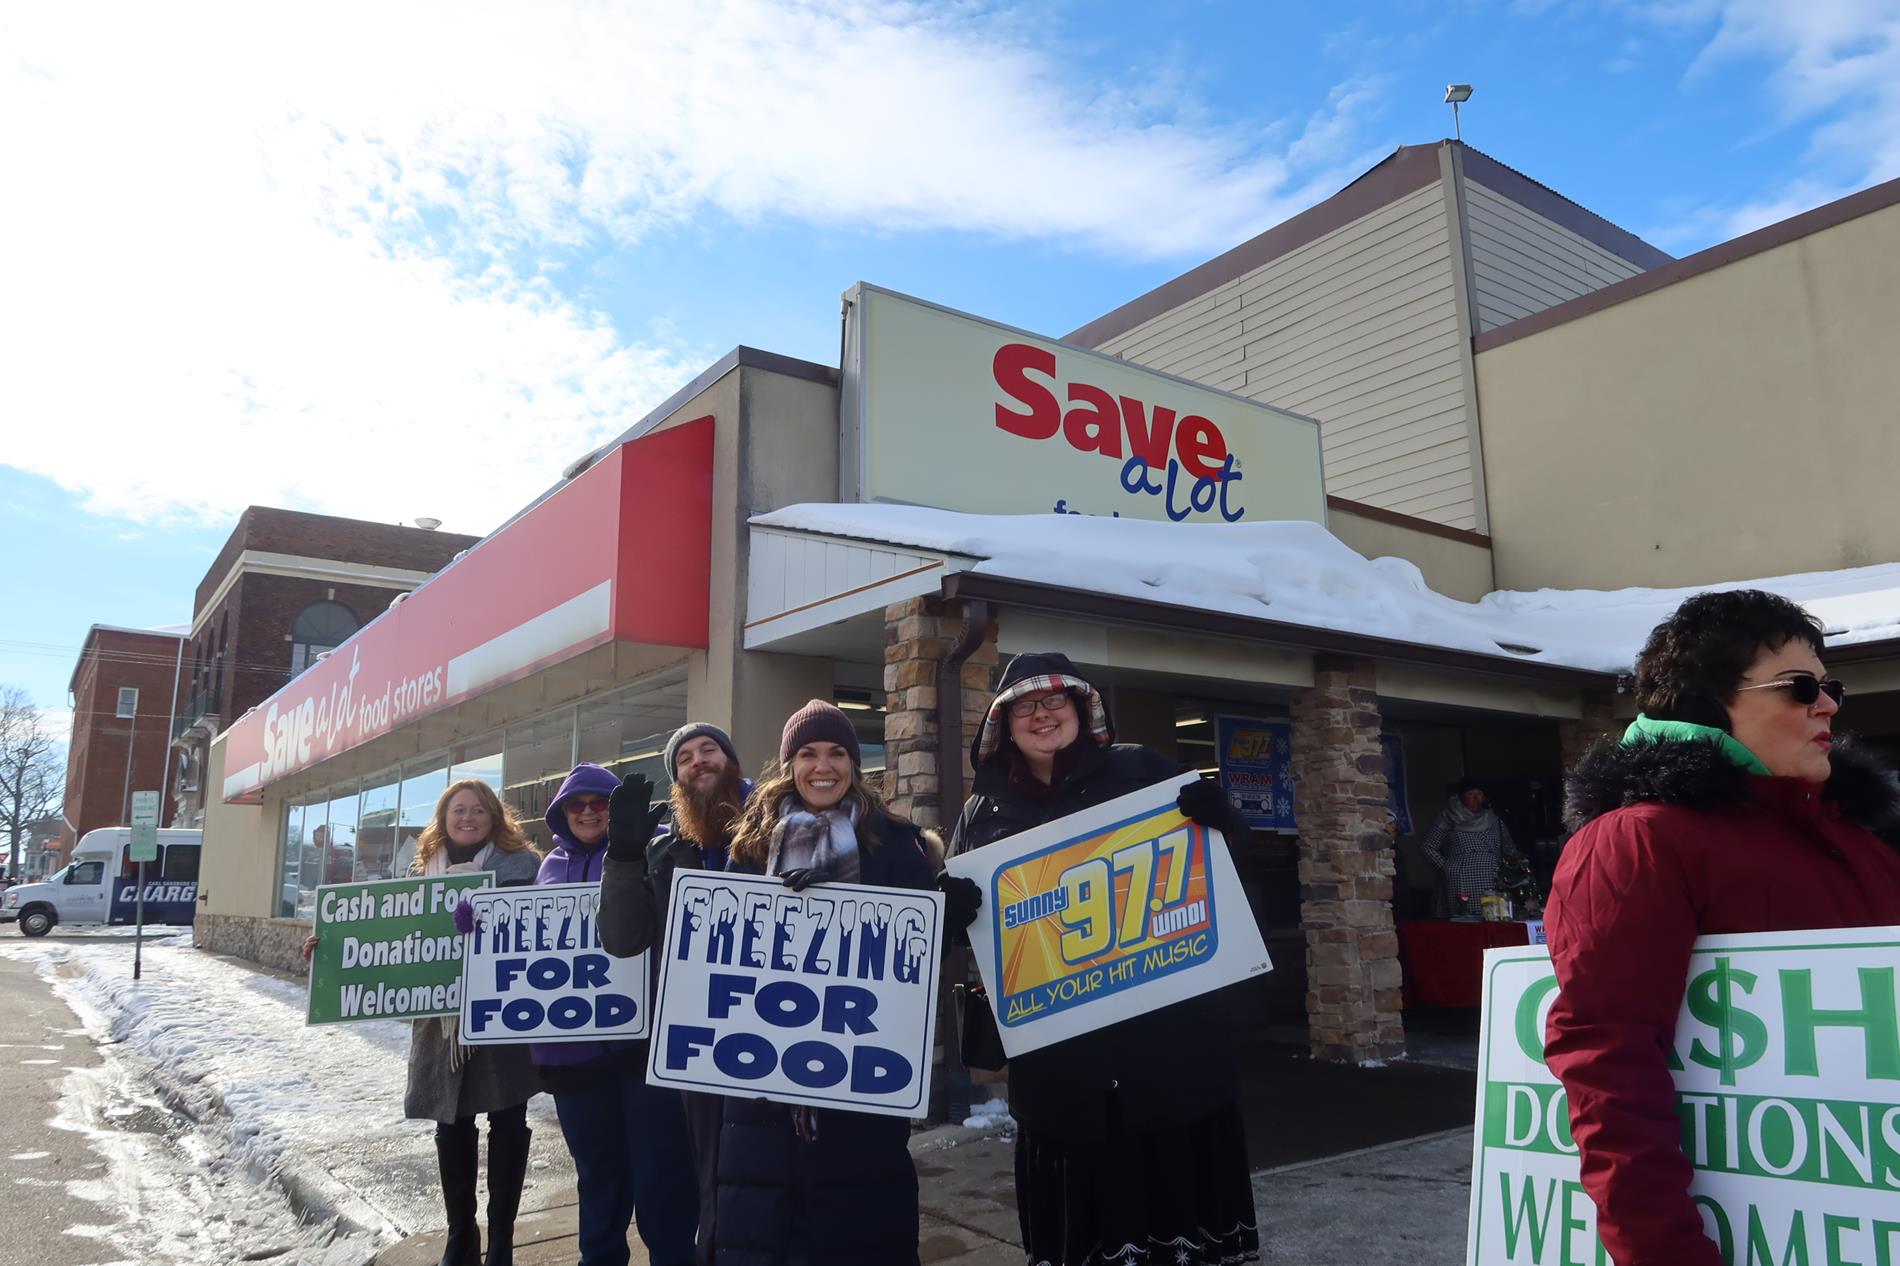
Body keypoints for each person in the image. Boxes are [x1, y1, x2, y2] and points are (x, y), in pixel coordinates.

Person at [1545, 590, 1900, 1266]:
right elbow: (1609, 1063)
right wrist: (1668, 1253)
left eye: (1830, 687)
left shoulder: (1864, 840)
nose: (1827, 705)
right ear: (1707, 705)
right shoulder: (1640, 840)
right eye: (1800, 688)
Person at [944, 651, 1260, 1266]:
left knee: (1175, 1207)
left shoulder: (1142, 770)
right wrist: (952, 912)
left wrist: (1227, 825)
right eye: (1025, 707)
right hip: (1062, 1068)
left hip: (1167, 1048)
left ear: (1081, 708)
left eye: (1054, 700)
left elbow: (1225, 867)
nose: (1042, 715)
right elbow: (971, 931)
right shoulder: (982, 813)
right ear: (1004, 725)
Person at [709, 699, 936, 1266]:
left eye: (837, 752)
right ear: (790, 764)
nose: (823, 766)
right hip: (762, 1099)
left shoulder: (895, 843)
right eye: (808, 753)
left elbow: (921, 959)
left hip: (861, 1097)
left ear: (854, 763)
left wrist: (943, 911)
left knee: (862, 1240)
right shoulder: (749, 846)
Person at [305, 779, 542, 1266]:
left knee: (508, 1121)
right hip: (441, 1022)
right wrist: (331, 949)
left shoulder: (523, 866)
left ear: (495, 817)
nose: (468, 817)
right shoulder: (421, 872)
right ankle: (461, 1236)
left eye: (479, 810)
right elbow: (390, 937)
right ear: (444, 818)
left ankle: (501, 1241)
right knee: (450, 1124)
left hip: (501, 1016)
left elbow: (541, 930)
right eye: (459, 810)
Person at [597, 722, 754, 1266]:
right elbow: (622, 939)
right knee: (694, 1179)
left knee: (757, 1178)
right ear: (677, 779)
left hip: (771, 1031)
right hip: (693, 1041)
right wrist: (623, 856)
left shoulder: (776, 826)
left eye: (709, 749)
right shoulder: (663, 852)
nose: (698, 760)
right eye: (684, 757)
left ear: (730, 760)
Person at [528, 763, 697, 1266]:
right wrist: (478, 924)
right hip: (574, 1057)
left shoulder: (655, 850)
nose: (587, 812)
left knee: (661, 1174)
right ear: (560, 814)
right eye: (575, 805)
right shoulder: (548, 867)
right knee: (597, 1175)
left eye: (598, 802)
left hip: (642, 1049)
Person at [1420, 778, 1514, 917]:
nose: (1476, 798)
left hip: (1492, 878)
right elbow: (1428, 846)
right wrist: (1447, 867)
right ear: (1461, 797)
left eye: (1479, 794)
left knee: (1492, 915)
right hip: (1461, 878)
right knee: (1465, 918)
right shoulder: (1448, 818)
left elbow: (1508, 846)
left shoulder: (1494, 819)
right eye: (1471, 794)